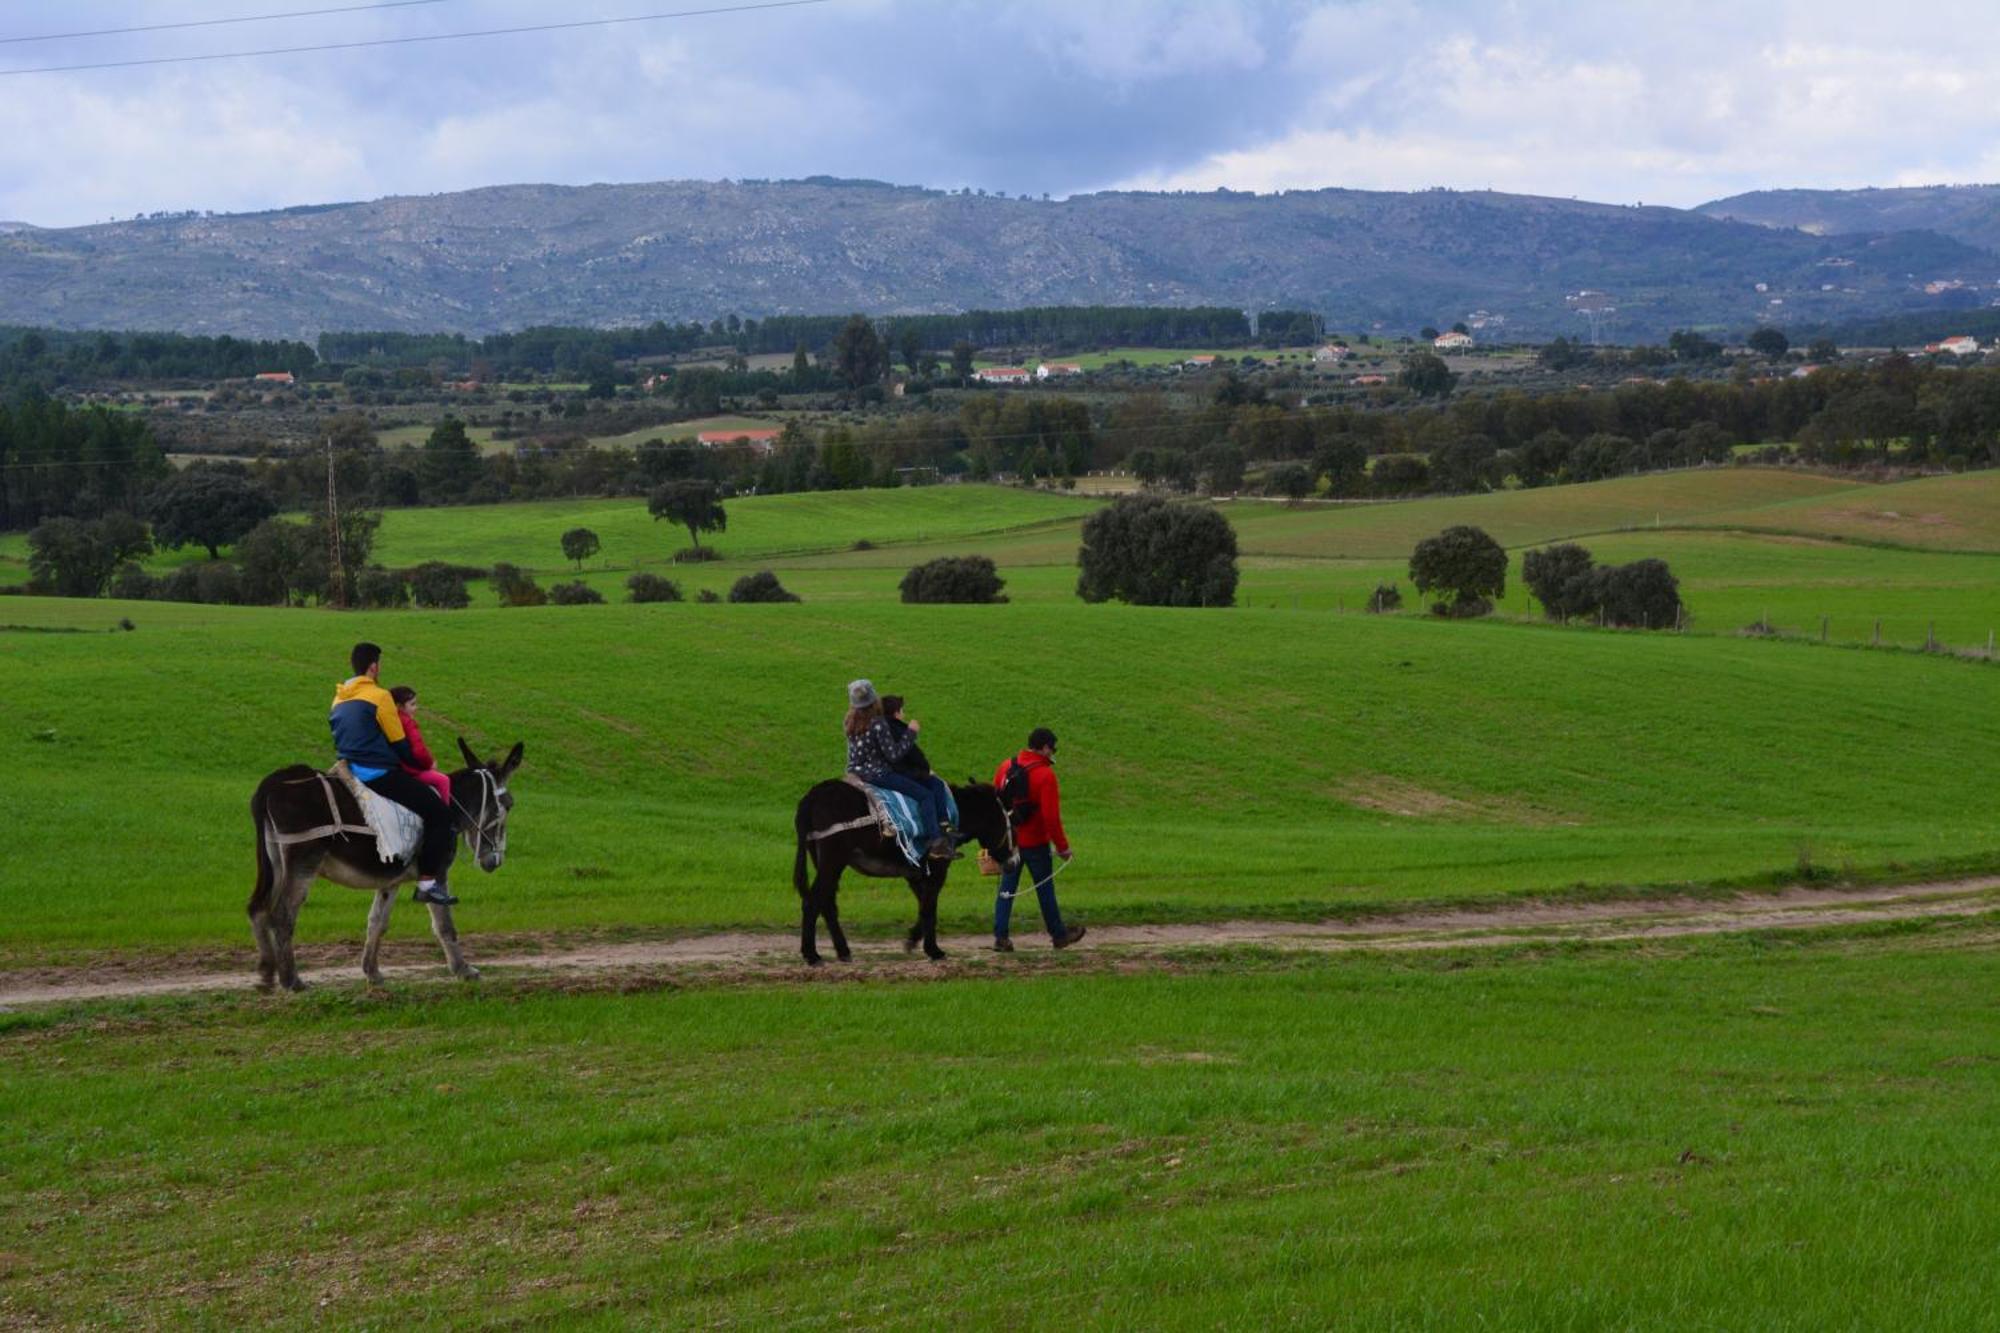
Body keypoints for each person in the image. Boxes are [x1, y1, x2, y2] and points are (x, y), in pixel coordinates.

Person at [330, 642, 459, 905]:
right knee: (440, 814)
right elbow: (400, 745)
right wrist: (425, 767)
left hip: (349, 768)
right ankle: (427, 883)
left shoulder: (339, 697)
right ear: (374, 667)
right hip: (378, 774)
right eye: (379, 665)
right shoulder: (380, 696)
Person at [844, 679, 958, 861]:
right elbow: (894, 754)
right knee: (925, 795)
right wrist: (911, 732)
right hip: (879, 775)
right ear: (874, 700)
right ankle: (937, 843)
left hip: (857, 773)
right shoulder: (878, 723)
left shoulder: (849, 722)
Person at [992, 727, 1084, 952]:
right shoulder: (1045, 775)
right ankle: (1059, 935)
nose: (1053, 752)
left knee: (1006, 890)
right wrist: (1062, 847)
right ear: (1044, 747)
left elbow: (995, 802)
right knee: (1045, 891)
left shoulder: (1006, 766)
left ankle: (1001, 937)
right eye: (1053, 748)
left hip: (1011, 841)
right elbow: (1051, 817)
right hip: (1036, 842)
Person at [880, 694, 958, 842]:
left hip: (885, 771)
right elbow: (915, 755)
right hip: (900, 772)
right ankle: (938, 832)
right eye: (902, 710)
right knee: (931, 790)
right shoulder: (899, 729)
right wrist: (926, 771)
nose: (904, 714)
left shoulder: (878, 729)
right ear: (896, 713)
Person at [389, 685, 454, 810]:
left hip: (395, 767)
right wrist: (430, 764)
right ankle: (446, 815)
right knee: (443, 780)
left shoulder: (391, 720)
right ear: (400, 706)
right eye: (412, 704)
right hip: (410, 770)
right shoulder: (408, 723)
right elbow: (419, 751)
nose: (416, 708)